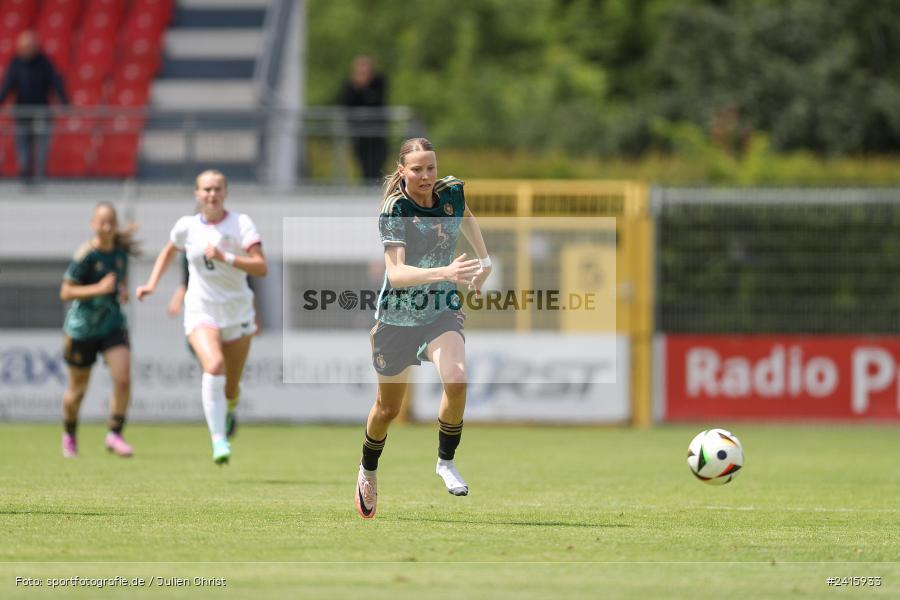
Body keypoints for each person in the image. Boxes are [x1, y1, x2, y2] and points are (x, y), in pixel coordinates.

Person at [355, 137, 492, 519]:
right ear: (403, 172)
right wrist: (446, 271)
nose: (426, 175)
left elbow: (465, 215)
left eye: (430, 167)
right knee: (387, 409)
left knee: (458, 378)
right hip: (396, 319)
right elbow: (396, 275)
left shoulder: (450, 192)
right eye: (417, 169)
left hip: (439, 311)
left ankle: (445, 462)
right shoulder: (395, 209)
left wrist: (484, 259)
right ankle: (367, 469)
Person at [136, 169, 267, 465]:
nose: (212, 194)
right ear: (197, 194)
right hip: (200, 310)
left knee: (232, 387)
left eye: (217, 188)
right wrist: (152, 284)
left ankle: (230, 408)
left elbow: (261, 267)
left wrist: (227, 257)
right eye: (206, 189)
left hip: (237, 312)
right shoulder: (187, 226)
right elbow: (169, 251)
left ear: (225, 193)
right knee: (214, 364)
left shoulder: (241, 223)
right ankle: (219, 440)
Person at [60, 203, 138, 458]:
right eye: (101, 222)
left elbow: (119, 286)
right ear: (93, 224)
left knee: (123, 379)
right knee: (78, 390)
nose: (106, 227)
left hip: (112, 325)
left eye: (110, 222)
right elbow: (66, 292)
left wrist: (122, 293)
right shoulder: (86, 256)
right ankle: (70, 433)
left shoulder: (120, 255)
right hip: (82, 330)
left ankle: (114, 433)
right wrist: (98, 289)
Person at [0, 30, 69, 180]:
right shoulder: (16, 63)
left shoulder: (45, 63)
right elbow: (7, 84)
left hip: (41, 111)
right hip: (22, 112)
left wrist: (64, 102)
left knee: (41, 144)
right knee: (22, 143)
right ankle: (24, 172)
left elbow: (56, 83)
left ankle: (40, 174)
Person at [340, 55, 388, 182]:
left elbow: (376, 101)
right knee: (363, 161)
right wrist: (357, 87)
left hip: (377, 131)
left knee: (378, 162)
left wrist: (364, 87)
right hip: (359, 131)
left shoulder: (379, 81)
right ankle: (366, 184)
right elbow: (347, 103)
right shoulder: (350, 85)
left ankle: (378, 186)